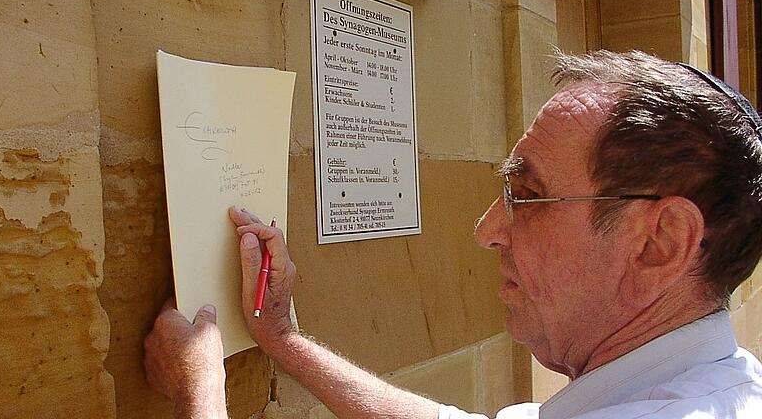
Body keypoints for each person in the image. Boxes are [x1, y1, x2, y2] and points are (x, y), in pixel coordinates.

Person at [144, 50, 762, 418]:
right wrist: (281, 339)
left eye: (531, 195)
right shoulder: (704, 382)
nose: (488, 230)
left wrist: (196, 392)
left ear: (659, 243)